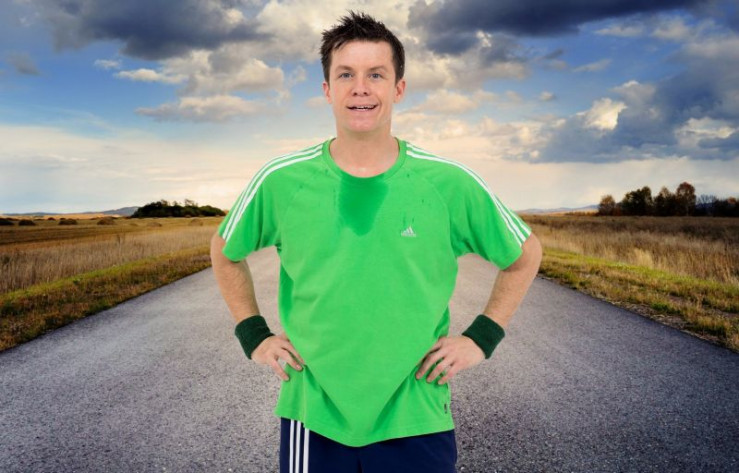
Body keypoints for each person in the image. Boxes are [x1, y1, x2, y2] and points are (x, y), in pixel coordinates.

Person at [210, 11, 542, 473]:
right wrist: (254, 336)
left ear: (398, 88)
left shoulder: (448, 183)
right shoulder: (282, 180)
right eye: (345, 74)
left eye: (376, 75)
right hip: (315, 414)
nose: (360, 88)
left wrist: (481, 338)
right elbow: (225, 252)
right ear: (327, 89)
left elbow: (525, 255)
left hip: (416, 414)